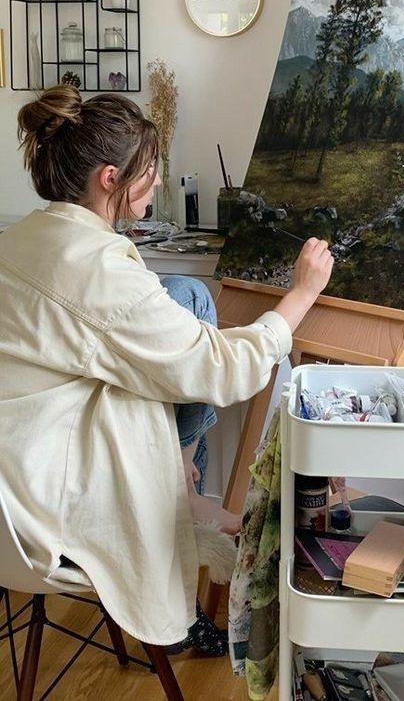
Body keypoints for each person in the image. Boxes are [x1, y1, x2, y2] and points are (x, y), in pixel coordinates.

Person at [0, 85, 333, 655]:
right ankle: (184, 490)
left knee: (181, 294)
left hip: (13, 466)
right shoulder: (97, 272)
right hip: (42, 501)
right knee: (193, 317)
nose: (157, 183)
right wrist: (301, 294)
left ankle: (183, 472)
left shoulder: (23, 236)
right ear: (111, 179)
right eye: (151, 171)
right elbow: (224, 370)